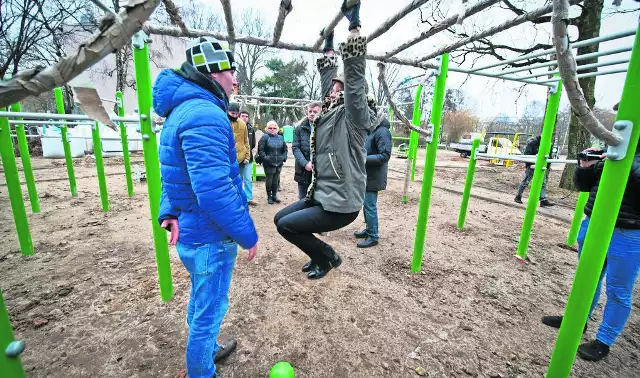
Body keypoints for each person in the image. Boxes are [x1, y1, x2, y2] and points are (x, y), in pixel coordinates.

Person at [153, 36, 259, 378]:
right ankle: (202, 372)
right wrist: (248, 234)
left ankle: (208, 350)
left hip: (193, 230)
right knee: (209, 310)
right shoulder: (206, 115)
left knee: (202, 301)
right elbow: (214, 191)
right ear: (213, 73)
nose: (235, 79)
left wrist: (168, 212)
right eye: (231, 71)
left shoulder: (182, 110)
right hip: (209, 236)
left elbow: (174, 172)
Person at [274, 1, 377, 280]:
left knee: (288, 227)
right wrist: (328, 48)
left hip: (341, 204)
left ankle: (327, 257)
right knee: (279, 220)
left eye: (338, 86)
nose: (333, 89)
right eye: (334, 85)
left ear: (349, 93)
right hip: (321, 195)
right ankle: (318, 255)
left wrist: (353, 28)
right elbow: (327, 81)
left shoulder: (355, 116)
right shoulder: (329, 111)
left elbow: (354, 80)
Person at [541, 107, 640, 362]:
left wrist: (625, 163)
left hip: (628, 232)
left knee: (618, 289)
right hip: (593, 223)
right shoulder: (612, 145)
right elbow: (584, 186)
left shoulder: (624, 152)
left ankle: (604, 340)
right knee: (587, 278)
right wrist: (585, 167)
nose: (621, 117)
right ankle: (577, 319)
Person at [354, 116, 392, 248]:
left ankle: (373, 236)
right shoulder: (373, 130)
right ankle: (369, 230)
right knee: (367, 205)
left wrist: (363, 158)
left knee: (370, 206)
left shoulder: (382, 131)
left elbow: (385, 155)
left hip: (374, 176)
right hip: (367, 175)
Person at [514, 133, 555, 207]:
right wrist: (530, 164)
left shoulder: (549, 144)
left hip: (542, 167)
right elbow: (527, 154)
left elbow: (550, 156)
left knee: (543, 183)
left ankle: (543, 200)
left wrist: (547, 165)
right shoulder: (533, 143)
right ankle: (518, 196)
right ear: (541, 134)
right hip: (532, 166)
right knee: (526, 181)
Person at [292, 102, 322, 199]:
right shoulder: (299, 128)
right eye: (310, 111)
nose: (312, 113)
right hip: (303, 170)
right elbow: (295, 148)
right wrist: (305, 163)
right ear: (307, 112)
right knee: (303, 198)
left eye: (315, 111)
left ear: (320, 112)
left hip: (320, 170)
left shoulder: (324, 127)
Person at [228, 102, 254, 207]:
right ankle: (233, 199)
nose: (234, 115)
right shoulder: (224, 122)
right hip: (229, 158)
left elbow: (246, 141)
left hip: (242, 157)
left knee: (246, 179)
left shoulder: (242, 124)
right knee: (231, 181)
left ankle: (247, 199)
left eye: (236, 113)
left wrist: (247, 156)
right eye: (232, 113)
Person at [257, 120, 287, 204]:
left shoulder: (281, 137)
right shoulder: (264, 137)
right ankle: (269, 197)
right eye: (270, 128)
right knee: (269, 181)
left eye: (274, 128)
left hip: (279, 163)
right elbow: (261, 150)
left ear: (277, 129)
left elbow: (285, 149)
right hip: (269, 163)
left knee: (276, 181)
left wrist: (284, 157)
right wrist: (266, 158)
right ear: (267, 128)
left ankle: (274, 195)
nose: (272, 129)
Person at [238, 109, 257, 206]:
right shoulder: (234, 126)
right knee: (238, 179)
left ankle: (248, 198)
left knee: (248, 179)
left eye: (246, 116)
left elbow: (253, 143)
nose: (245, 118)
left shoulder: (251, 129)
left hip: (248, 159)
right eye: (243, 116)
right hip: (237, 159)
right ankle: (238, 198)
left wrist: (246, 153)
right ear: (239, 116)